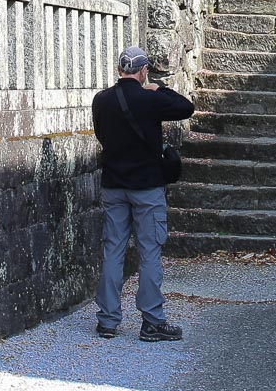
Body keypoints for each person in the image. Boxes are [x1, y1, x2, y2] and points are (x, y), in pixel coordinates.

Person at [92, 45, 195, 342]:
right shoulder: (149, 98)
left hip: (113, 184)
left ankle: (108, 321)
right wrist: (158, 88)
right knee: (149, 252)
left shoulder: (102, 100)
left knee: (113, 250)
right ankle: (151, 321)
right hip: (147, 187)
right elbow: (185, 107)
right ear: (142, 70)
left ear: (119, 69)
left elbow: (102, 135)